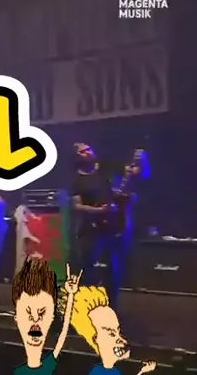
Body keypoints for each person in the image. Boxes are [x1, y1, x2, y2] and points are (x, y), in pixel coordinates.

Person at [70, 143, 149, 308]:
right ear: (77, 157)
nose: (87, 152)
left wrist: (142, 162)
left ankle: (111, 305)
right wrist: (98, 210)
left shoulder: (107, 167)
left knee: (113, 268)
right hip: (91, 227)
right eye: (82, 152)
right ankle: (85, 305)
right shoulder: (77, 180)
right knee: (87, 266)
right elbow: (76, 206)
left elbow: (139, 174)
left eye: (88, 149)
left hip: (114, 225)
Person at [60, 285, 157, 375]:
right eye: (111, 334)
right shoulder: (99, 371)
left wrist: (142, 371)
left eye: (118, 332)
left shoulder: (111, 371)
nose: (122, 340)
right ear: (95, 339)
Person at [12, 259, 81, 375]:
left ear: (51, 318)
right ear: (16, 317)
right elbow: (63, 334)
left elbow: (63, 332)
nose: (35, 320)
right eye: (28, 313)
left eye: (42, 313)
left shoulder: (46, 365)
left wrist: (71, 296)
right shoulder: (19, 371)